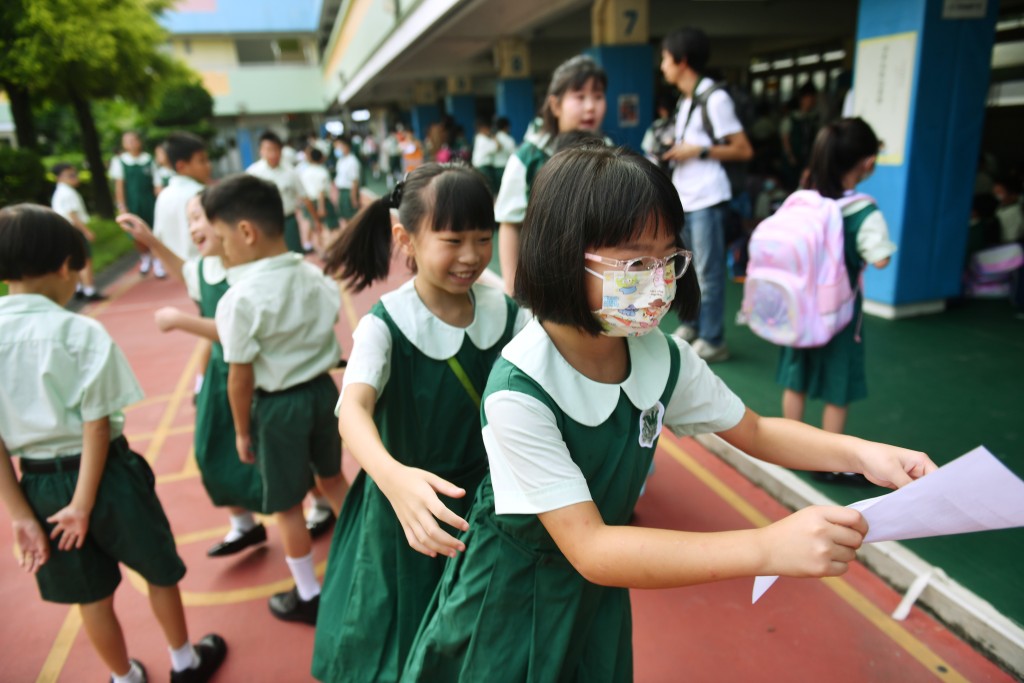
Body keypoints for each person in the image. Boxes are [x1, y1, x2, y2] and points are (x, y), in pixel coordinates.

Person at [400, 145, 936, 682]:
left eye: (668, 259)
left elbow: (754, 429)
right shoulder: (520, 389)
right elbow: (592, 547)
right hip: (514, 597)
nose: (657, 281)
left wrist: (865, 453)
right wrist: (766, 546)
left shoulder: (661, 353)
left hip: (596, 594)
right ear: (562, 254)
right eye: (634, 263)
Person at [311, 163, 529, 683]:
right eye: (452, 240)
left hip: (489, 508)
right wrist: (394, 478)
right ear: (404, 238)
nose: (473, 256)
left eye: (483, 238)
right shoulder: (385, 325)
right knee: (399, 641)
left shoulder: (507, 312)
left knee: (485, 641)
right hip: (407, 513)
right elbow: (353, 411)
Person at [0, 204, 227, 683]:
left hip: (39, 486)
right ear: (67, 266)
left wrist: (20, 514)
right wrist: (83, 503)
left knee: (90, 595)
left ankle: (124, 677)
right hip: (106, 477)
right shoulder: (77, 330)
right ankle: (185, 662)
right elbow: (96, 425)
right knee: (159, 571)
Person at [204, 174, 349, 624]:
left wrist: (243, 430)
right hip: (324, 391)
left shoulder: (238, 298)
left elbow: (239, 378)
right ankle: (369, 554)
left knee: (286, 504)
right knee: (333, 479)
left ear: (245, 232)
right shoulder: (312, 273)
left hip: (278, 407)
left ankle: (307, 593)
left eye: (221, 237)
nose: (219, 248)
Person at [117, 196, 268, 557]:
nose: (194, 227)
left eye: (200, 217)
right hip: (221, 373)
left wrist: (181, 321)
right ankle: (243, 523)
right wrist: (152, 241)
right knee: (211, 448)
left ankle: (319, 504)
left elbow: (237, 332)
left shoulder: (251, 271)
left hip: (258, 372)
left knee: (279, 449)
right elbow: (187, 273)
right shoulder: (203, 269)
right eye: (190, 221)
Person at [777, 119, 898, 480]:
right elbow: (879, 257)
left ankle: (788, 447)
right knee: (837, 385)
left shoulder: (802, 199)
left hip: (799, 308)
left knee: (795, 378)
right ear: (867, 163)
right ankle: (828, 462)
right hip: (839, 315)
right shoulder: (864, 211)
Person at [661, 27, 754, 362]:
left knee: (709, 273)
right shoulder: (686, 101)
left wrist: (698, 151)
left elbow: (743, 150)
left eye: (665, 58)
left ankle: (714, 340)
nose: (662, 66)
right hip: (686, 198)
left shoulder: (716, 99)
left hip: (708, 199)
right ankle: (693, 325)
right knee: (686, 269)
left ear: (682, 61)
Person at [494, 54, 608, 294]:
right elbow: (510, 224)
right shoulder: (528, 157)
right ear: (555, 105)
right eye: (580, 97)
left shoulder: (610, 151)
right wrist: (513, 287)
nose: (590, 106)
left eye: (598, 97)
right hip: (545, 282)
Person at [246, 130, 321, 254]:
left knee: (294, 253)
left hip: (288, 221)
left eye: (276, 149)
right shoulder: (253, 173)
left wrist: (316, 219)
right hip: (265, 222)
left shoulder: (290, 172)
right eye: (268, 149)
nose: (273, 154)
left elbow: (304, 197)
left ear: (281, 150)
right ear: (261, 151)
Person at [50, 163, 106, 301]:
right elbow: (73, 215)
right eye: (71, 175)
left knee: (73, 260)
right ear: (60, 177)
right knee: (85, 259)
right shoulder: (67, 193)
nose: (75, 177)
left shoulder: (60, 192)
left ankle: (79, 288)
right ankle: (89, 289)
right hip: (73, 230)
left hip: (63, 230)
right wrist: (86, 231)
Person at [110, 131, 162, 276]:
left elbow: (157, 182)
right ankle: (145, 258)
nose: (131, 143)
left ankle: (158, 260)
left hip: (149, 201)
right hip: (132, 202)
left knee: (154, 229)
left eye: (134, 139)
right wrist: (122, 207)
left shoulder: (148, 160)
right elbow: (119, 186)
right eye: (127, 140)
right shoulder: (120, 161)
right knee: (135, 232)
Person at [153, 132, 212, 263]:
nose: (209, 166)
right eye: (202, 161)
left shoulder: (163, 195)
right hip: (207, 268)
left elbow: (159, 236)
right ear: (181, 166)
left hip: (179, 269)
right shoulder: (200, 194)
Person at [780, 83, 821, 191]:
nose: (813, 101)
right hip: (793, 160)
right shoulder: (791, 118)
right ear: (803, 99)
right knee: (791, 186)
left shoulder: (812, 119)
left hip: (806, 159)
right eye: (810, 98)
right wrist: (790, 156)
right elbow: (785, 138)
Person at [301, 148, 340, 252]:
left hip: (309, 201)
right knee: (332, 226)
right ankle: (330, 249)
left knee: (316, 227)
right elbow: (321, 192)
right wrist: (321, 207)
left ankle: (320, 249)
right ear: (321, 158)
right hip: (322, 201)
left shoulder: (305, 172)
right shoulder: (322, 172)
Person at [333, 136, 361, 230]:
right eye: (335, 147)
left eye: (339, 146)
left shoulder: (352, 161)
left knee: (352, 218)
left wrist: (353, 199)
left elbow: (355, 182)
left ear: (347, 146)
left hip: (349, 192)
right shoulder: (340, 160)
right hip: (342, 192)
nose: (337, 149)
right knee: (344, 217)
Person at [471, 118, 500, 192]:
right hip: (483, 168)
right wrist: (494, 136)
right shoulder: (482, 139)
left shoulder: (480, 138)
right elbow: (498, 147)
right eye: (489, 128)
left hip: (482, 167)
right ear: (483, 128)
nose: (490, 130)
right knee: (489, 189)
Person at [491, 117, 516, 189]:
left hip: (495, 168)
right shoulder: (509, 140)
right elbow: (513, 154)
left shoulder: (494, 138)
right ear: (506, 127)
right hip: (505, 167)